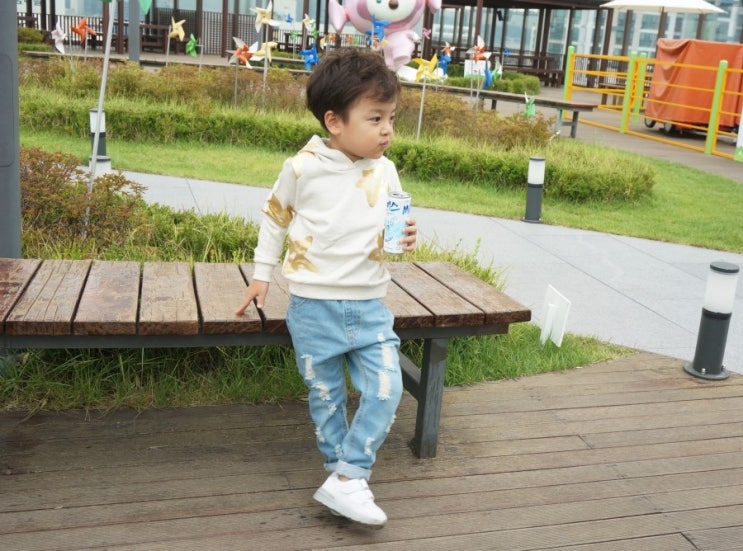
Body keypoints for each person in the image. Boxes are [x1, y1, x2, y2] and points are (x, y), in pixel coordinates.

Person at [235, 47, 417, 527]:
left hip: (370, 305)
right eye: (375, 118)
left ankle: (348, 475)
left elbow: (394, 234)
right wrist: (261, 275)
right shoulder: (303, 167)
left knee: (386, 389)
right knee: (327, 398)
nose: (387, 130)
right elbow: (275, 218)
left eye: (391, 118)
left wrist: (404, 239)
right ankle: (345, 479)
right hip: (313, 306)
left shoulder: (386, 170)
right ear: (334, 121)